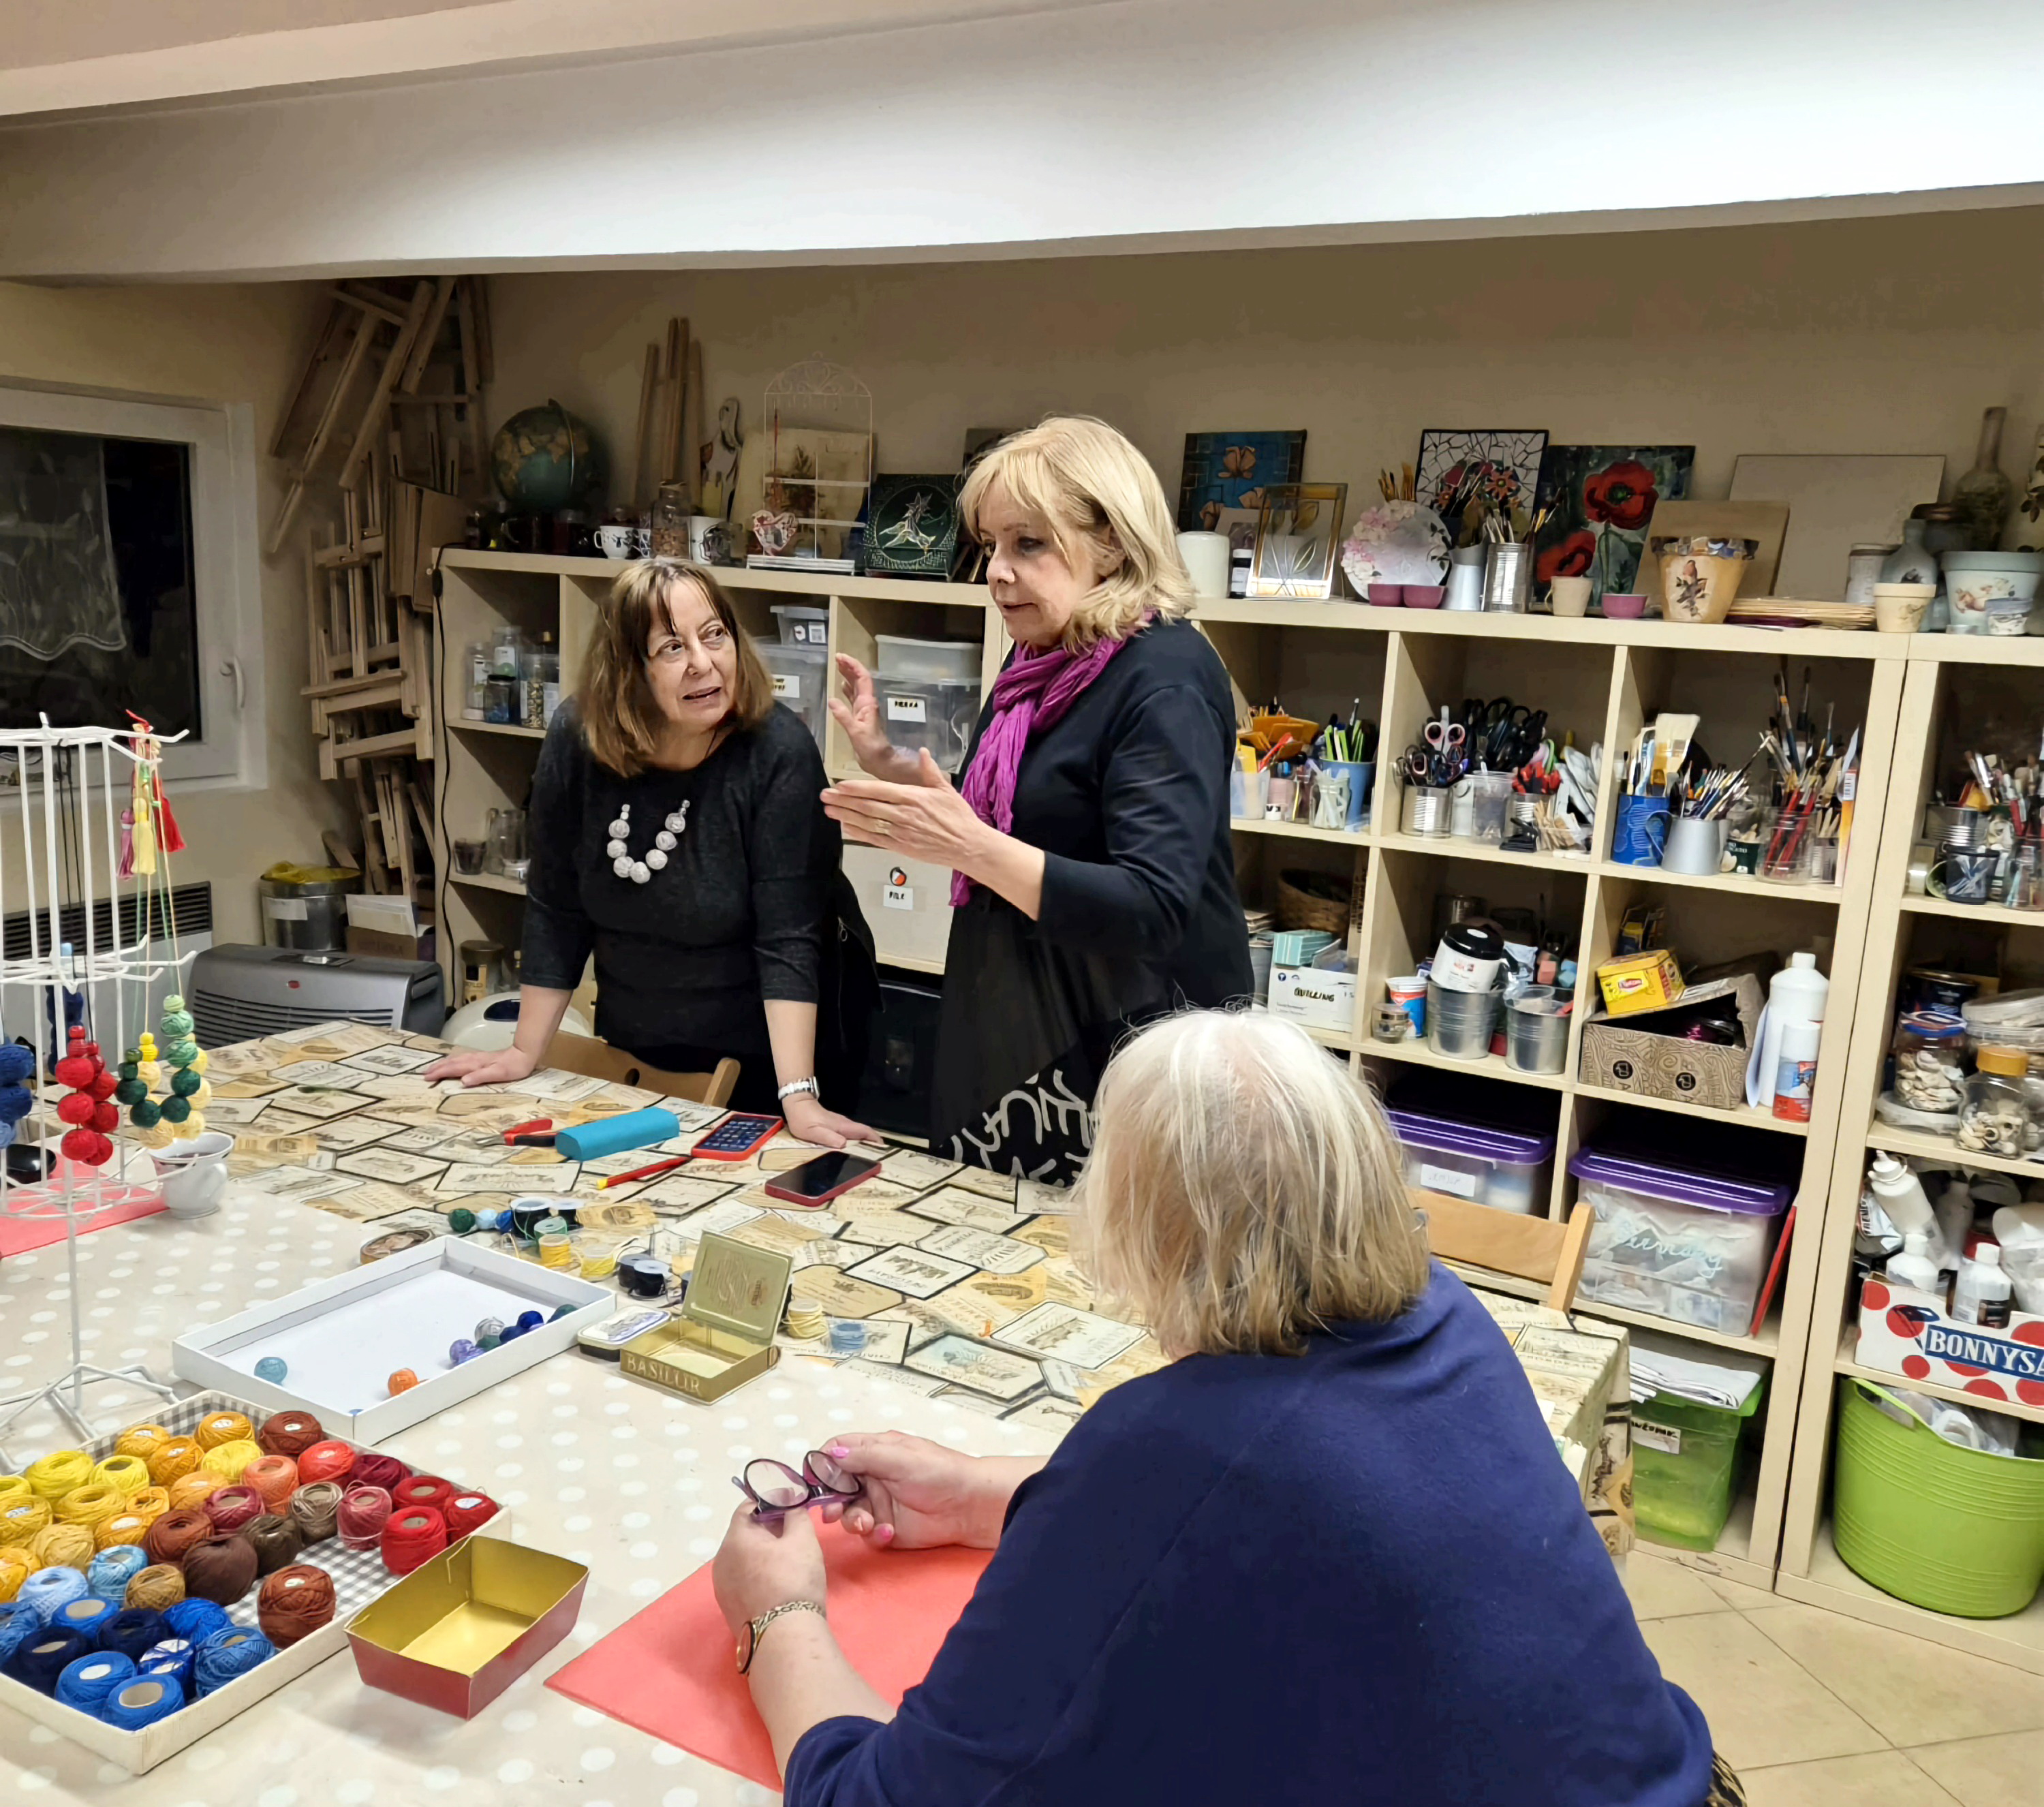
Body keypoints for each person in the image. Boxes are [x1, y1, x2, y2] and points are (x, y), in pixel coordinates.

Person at [712, 1008, 1735, 1807]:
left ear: (1140, 1229)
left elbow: (879, 1799)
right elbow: (1271, 1511)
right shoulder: (1446, 1314)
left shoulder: (1169, 1442)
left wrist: (775, 1614)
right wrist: (984, 1494)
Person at [822, 416, 1252, 1183]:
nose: (996, 571)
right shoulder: (1040, 660)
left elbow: (1154, 906)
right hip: (1018, 1038)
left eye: (1028, 544)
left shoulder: (1167, 676)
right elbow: (1011, 814)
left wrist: (967, 847)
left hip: (1127, 1062)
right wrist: (888, 762)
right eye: (990, 544)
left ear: (1112, 543)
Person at [425, 558, 873, 1144]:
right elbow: (557, 906)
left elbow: (788, 938)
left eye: (715, 635)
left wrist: (800, 1097)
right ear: (627, 671)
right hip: (635, 1042)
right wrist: (523, 1051)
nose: (703, 663)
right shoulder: (578, 739)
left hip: (774, 1055)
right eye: (672, 647)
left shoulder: (777, 751)